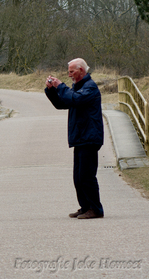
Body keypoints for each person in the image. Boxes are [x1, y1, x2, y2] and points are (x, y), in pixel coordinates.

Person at [44, 58, 104, 219]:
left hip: (90, 137)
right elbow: (62, 103)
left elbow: (75, 99)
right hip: (80, 137)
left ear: (81, 71)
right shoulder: (77, 88)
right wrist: (51, 90)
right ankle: (85, 207)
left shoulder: (90, 88)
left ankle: (96, 209)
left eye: (72, 71)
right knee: (78, 177)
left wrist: (60, 86)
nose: (69, 75)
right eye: (68, 71)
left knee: (86, 176)